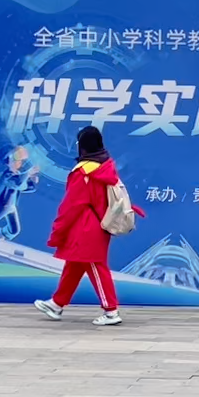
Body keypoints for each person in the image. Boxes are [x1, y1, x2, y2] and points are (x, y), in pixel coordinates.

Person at [33, 125, 125, 327]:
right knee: (74, 265)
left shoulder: (83, 172)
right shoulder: (105, 166)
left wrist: (57, 232)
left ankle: (111, 311)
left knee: (95, 267)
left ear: (82, 146)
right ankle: (56, 304)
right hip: (98, 224)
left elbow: (70, 206)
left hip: (85, 227)